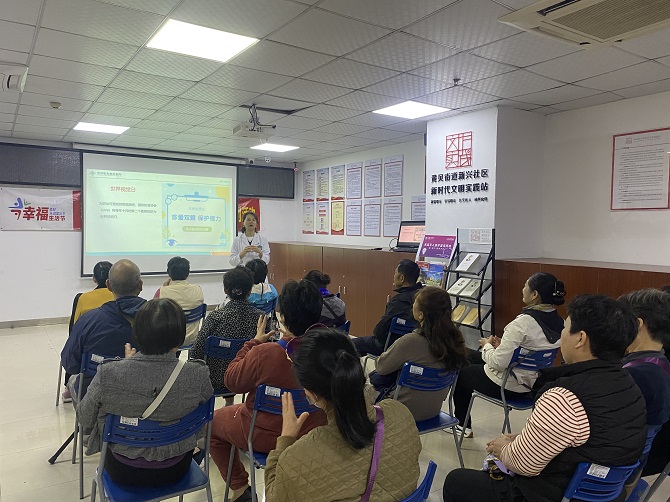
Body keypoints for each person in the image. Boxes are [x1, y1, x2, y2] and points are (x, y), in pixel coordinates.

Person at [443, 294, 647, 502]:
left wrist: (503, 448)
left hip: (553, 494)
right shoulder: (630, 385)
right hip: (603, 495)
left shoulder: (564, 397)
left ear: (580, 339)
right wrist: (525, 440)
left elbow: (523, 464)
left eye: (565, 328)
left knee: (457, 481)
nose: (562, 334)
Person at [264, 328, 421, 501]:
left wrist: (285, 439)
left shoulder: (296, 459)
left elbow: (273, 497)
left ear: (311, 394)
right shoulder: (401, 414)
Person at [209, 280, 328, 502]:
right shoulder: (329, 351)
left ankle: (239, 487)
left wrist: (253, 342)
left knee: (212, 423)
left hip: (260, 434)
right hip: (313, 433)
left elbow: (232, 381)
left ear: (282, 317)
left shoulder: (264, 352)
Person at [78, 299, 213, 488]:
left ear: (137, 334)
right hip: (176, 468)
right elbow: (204, 416)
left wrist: (126, 366)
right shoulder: (197, 374)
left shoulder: (108, 374)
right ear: (180, 338)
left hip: (123, 469)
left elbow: (84, 417)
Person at [452, 272, 565, 437]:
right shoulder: (561, 322)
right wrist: (502, 346)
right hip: (535, 384)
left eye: (525, 286)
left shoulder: (522, 324)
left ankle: (462, 425)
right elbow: (532, 351)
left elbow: (498, 363)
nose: (522, 289)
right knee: (466, 355)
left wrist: (487, 345)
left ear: (534, 294)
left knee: (461, 373)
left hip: (508, 386)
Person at [373, 286, 468, 421]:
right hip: (432, 411)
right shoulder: (455, 340)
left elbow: (381, 367)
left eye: (415, 303)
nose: (412, 305)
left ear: (421, 315)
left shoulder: (410, 341)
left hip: (401, 412)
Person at [61, 259, 146, 397]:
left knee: (73, 380)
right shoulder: (158, 318)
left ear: (108, 285)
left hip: (95, 396)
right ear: (140, 285)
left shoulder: (88, 321)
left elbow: (70, 363)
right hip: (144, 394)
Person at [618, 289, 670, 486]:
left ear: (638, 324)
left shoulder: (637, 374)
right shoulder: (660, 363)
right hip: (636, 462)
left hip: (619, 470)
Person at [189, 267, 263, 392]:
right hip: (247, 379)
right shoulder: (261, 318)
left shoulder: (215, 317)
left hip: (215, 379)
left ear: (225, 290)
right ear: (250, 291)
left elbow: (196, 351)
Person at [62, 261, 114, 403]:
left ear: (94, 279)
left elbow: (73, 329)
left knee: (75, 344)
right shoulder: (119, 298)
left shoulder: (83, 298)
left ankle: (69, 387)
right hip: (119, 356)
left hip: (89, 358)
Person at [352, 259, 423, 357]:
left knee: (352, 344)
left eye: (395, 273)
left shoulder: (399, 301)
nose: (394, 276)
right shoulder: (423, 297)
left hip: (390, 345)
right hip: (413, 346)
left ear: (402, 278)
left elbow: (380, 331)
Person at [153, 256, 204, 346]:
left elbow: (153, 314)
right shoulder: (198, 289)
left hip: (169, 340)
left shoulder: (161, 292)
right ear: (188, 273)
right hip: (192, 339)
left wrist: (164, 287)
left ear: (168, 272)